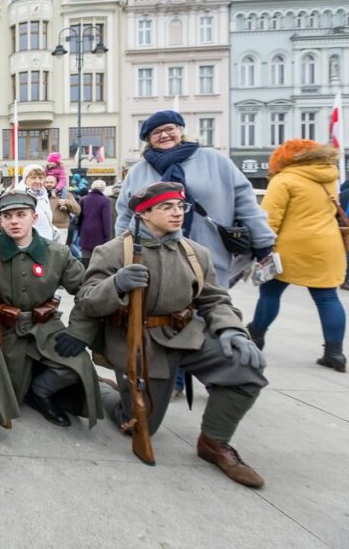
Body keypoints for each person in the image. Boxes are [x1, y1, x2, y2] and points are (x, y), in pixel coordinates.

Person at [63, 182, 269, 487]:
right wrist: (117, 284)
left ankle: (214, 442)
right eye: (167, 207)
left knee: (246, 369)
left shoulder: (195, 252)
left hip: (186, 333)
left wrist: (232, 330)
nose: (177, 214)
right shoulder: (113, 251)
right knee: (138, 422)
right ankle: (103, 389)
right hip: (139, 343)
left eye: (180, 207)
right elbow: (88, 300)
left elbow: (214, 298)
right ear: (144, 214)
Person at [0, 191, 101, 428]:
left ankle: (40, 392)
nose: (14, 221)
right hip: (0, 326)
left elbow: (85, 293)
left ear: (34, 217)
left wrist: (79, 332)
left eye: (21, 215)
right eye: (7, 216)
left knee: (78, 364)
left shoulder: (57, 253)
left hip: (44, 327)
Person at [115, 110, 275, 289]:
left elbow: (245, 203)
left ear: (180, 131)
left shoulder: (214, 160)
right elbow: (126, 216)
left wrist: (263, 242)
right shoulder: (138, 171)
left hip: (211, 257)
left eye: (169, 129)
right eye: (156, 132)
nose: (164, 135)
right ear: (148, 139)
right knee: (159, 314)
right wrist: (123, 253)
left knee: (212, 310)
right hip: (154, 263)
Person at [247, 140, 347, 372]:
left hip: (290, 246)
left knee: (270, 292)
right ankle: (335, 353)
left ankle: (256, 337)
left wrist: (261, 248)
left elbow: (269, 218)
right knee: (328, 298)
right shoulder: (330, 177)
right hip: (327, 245)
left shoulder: (284, 179)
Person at [77, 179, 113, 267]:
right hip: (99, 234)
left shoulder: (83, 199)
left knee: (86, 258)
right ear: (103, 189)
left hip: (85, 232)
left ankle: (85, 276)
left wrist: (79, 231)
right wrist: (108, 236)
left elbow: (79, 217)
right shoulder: (105, 201)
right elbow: (106, 220)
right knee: (98, 259)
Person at [21, 164, 58, 242]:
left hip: (47, 240)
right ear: (25, 179)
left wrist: (52, 229)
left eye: (41, 178)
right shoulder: (20, 195)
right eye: (33, 177)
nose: (37, 181)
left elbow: (44, 217)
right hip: (32, 242)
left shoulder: (43, 194)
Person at [44, 173, 80, 246]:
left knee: (59, 252)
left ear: (57, 183)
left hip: (61, 228)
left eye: (51, 182)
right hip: (46, 228)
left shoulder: (66, 195)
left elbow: (78, 210)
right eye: (47, 182)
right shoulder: (42, 195)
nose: (49, 184)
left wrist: (66, 202)